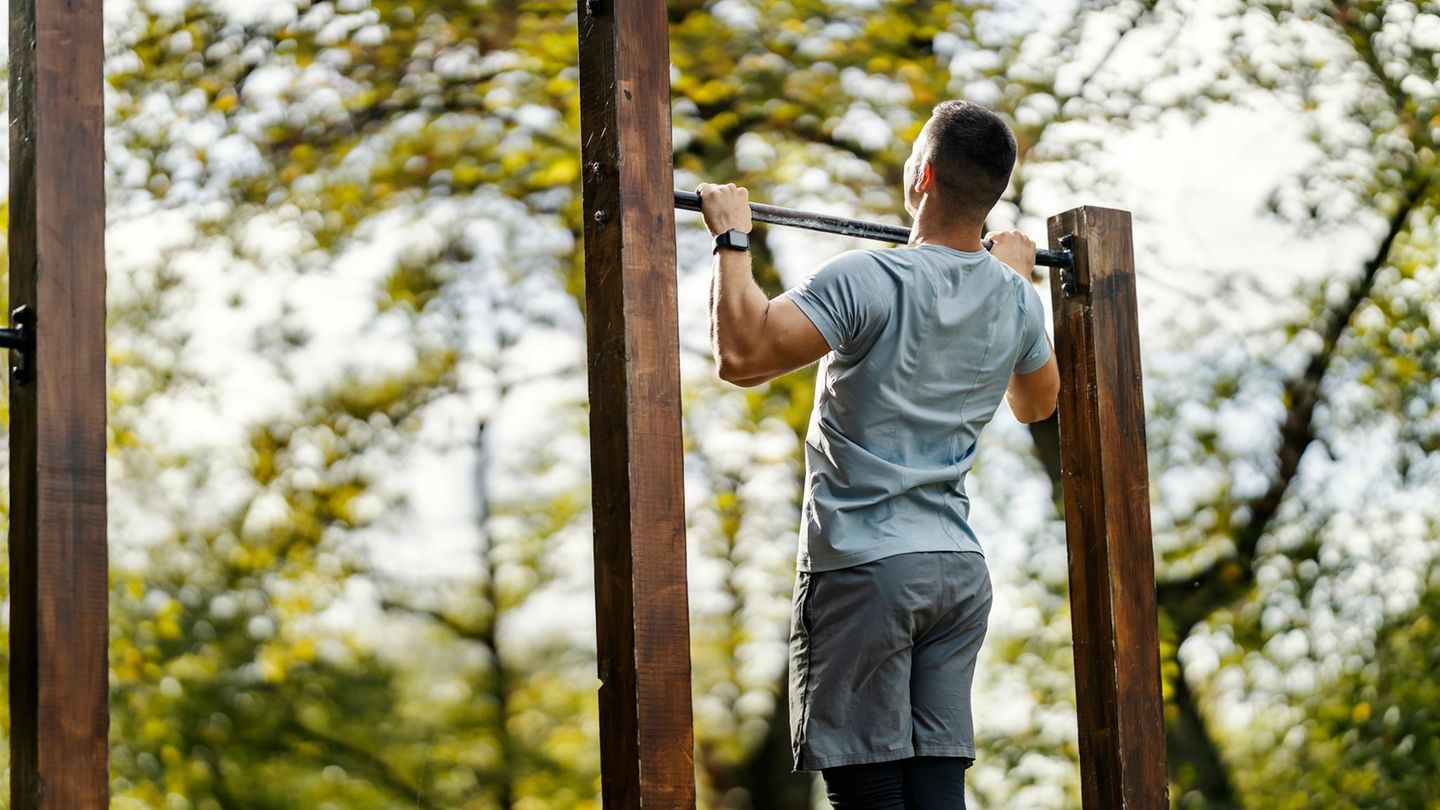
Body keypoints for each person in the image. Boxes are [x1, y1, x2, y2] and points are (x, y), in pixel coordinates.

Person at [695, 99, 1059, 809]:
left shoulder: (868, 278)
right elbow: (1036, 403)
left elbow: (742, 356)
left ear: (922, 176)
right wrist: (1019, 281)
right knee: (935, 791)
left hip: (866, 568)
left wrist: (733, 241)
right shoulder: (1016, 300)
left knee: (870, 796)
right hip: (956, 575)